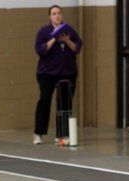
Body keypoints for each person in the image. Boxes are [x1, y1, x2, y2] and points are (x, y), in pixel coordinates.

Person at [33, 4, 82, 144]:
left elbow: (77, 48)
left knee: (65, 103)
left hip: (67, 72)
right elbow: (40, 50)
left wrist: (67, 40)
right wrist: (54, 38)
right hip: (47, 73)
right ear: (50, 17)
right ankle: (38, 133)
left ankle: (62, 134)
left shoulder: (69, 30)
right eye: (54, 13)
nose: (57, 16)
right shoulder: (44, 31)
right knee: (44, 101)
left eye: (59, 13)